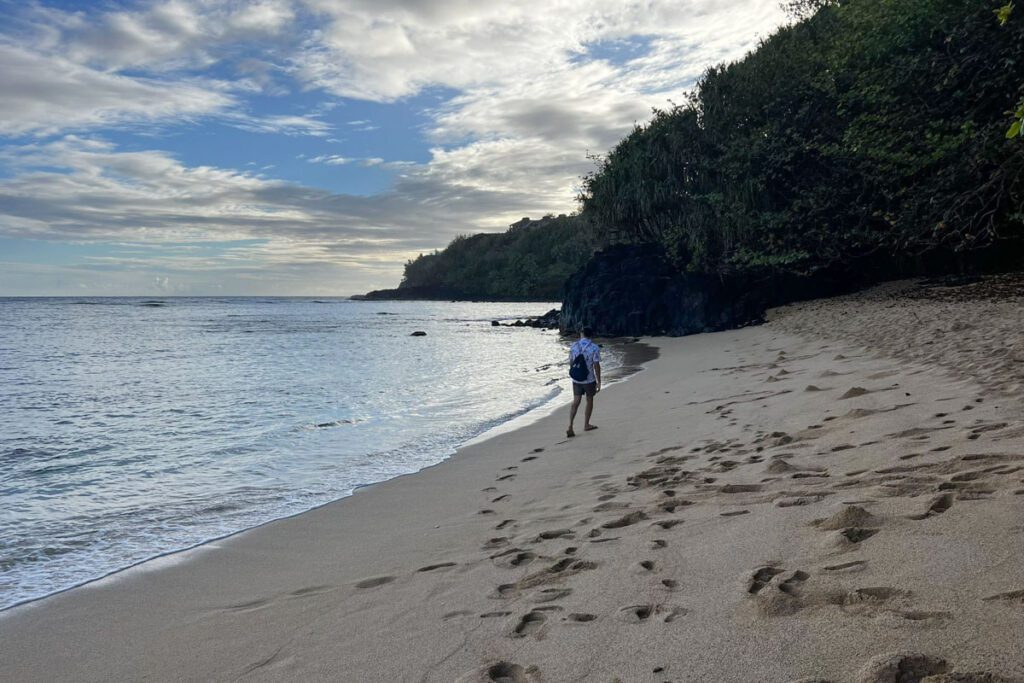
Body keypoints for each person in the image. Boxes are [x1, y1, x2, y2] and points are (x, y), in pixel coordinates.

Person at [567, 326, 601, 438]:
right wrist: (598, 381)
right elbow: (596, 365)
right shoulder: (594, 348)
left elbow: (571, 363)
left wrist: (574, 374)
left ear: (582, 333)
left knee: (576, 401)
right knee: (589, 400)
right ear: (591, 334)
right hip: (589, 379)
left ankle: (570, 426)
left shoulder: (574, 346)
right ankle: (586, 424)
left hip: (576, 379)